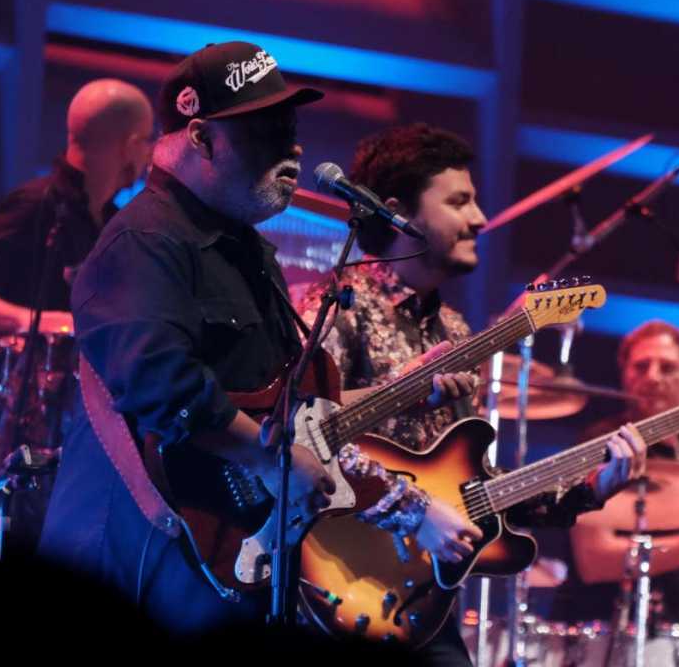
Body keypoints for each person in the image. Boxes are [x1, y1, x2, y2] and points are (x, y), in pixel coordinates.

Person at [37, 43, 478, 634]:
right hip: (140, 558)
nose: (293, 147)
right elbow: (162, 387)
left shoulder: (245, 251)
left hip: (219, 563)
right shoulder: (143, 241)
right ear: (201, 137)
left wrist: (403, 390)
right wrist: (273, 460)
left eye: (291, 128)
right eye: (267, 130)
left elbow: (287, 411)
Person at [301, 122, 648, 664]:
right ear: (398, 213)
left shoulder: (456, 332)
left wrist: (589, 489)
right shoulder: (338, 305)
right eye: (459, 201)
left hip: (419, 598)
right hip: (336, 586)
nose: (481, 219)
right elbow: (299, 437)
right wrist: (415, 511)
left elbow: (473, 488)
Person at [0, 78, 154, 555]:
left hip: (72, 441)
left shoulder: (110, 227)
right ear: (131, 144)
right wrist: (42, 320)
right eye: (148, 141)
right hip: (16, 435)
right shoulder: (36, 206)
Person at [566, 319, 679, 621]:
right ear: (625, 376)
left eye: (667, 367)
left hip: (672, 627)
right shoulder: (601, 442)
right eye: (641, 366)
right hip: (601, 623)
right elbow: (594, 560)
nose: (652, 377)